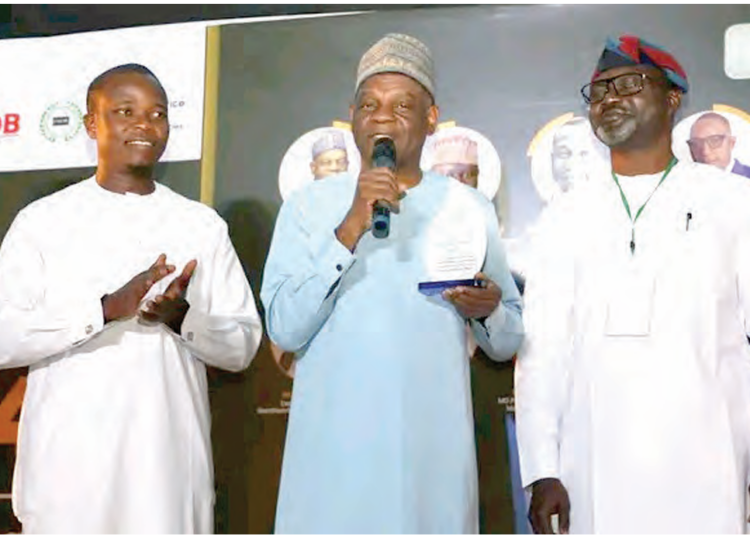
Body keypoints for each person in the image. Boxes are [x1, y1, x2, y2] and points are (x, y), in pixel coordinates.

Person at [261, 33, 523, 533]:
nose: (382, 117)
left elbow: (508, 337)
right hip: (332, 463)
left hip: (431, 463)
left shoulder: (467, 207)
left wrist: (486, 309)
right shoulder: (306, 207)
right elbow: (285, 330)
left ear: (430, 119)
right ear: (353, 116)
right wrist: (349, 227)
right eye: (369, 105)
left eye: (402, 105)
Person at [0, 63, 263, 533]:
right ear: (91, 124)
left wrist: (183, 319)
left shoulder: (200, 225)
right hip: (68, 479)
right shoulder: (42, 223)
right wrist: (101, 310)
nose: (145, 124)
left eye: (157, 113)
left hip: (167, 479)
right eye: (125, 111)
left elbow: (242, 346)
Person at [515, 34, 750, 533]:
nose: (609, 100)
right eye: (598, 92)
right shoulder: (565, 215)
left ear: (671, 100)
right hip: (593, 469)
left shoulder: (733, 203)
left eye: (628, 84)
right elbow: (542, 351)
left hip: (709, 465)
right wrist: (543, 471)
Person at [688, 111, 750, 178]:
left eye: (714, 141)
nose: (705, 152)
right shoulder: (685, 181)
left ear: (731, 143)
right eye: (696, 144)